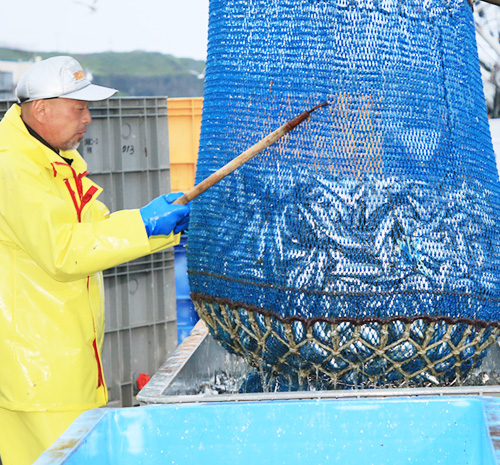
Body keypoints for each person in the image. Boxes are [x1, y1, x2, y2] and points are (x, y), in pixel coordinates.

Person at [0, 56, 190, 465]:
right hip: (38, 371)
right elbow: (65, 251)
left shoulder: (54, 161)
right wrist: (144, 223)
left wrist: (161, 229)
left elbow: (97, 231)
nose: (88, 118)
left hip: (60, 362)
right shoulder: (12, 168)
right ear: (42, 108)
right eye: (79, 108)